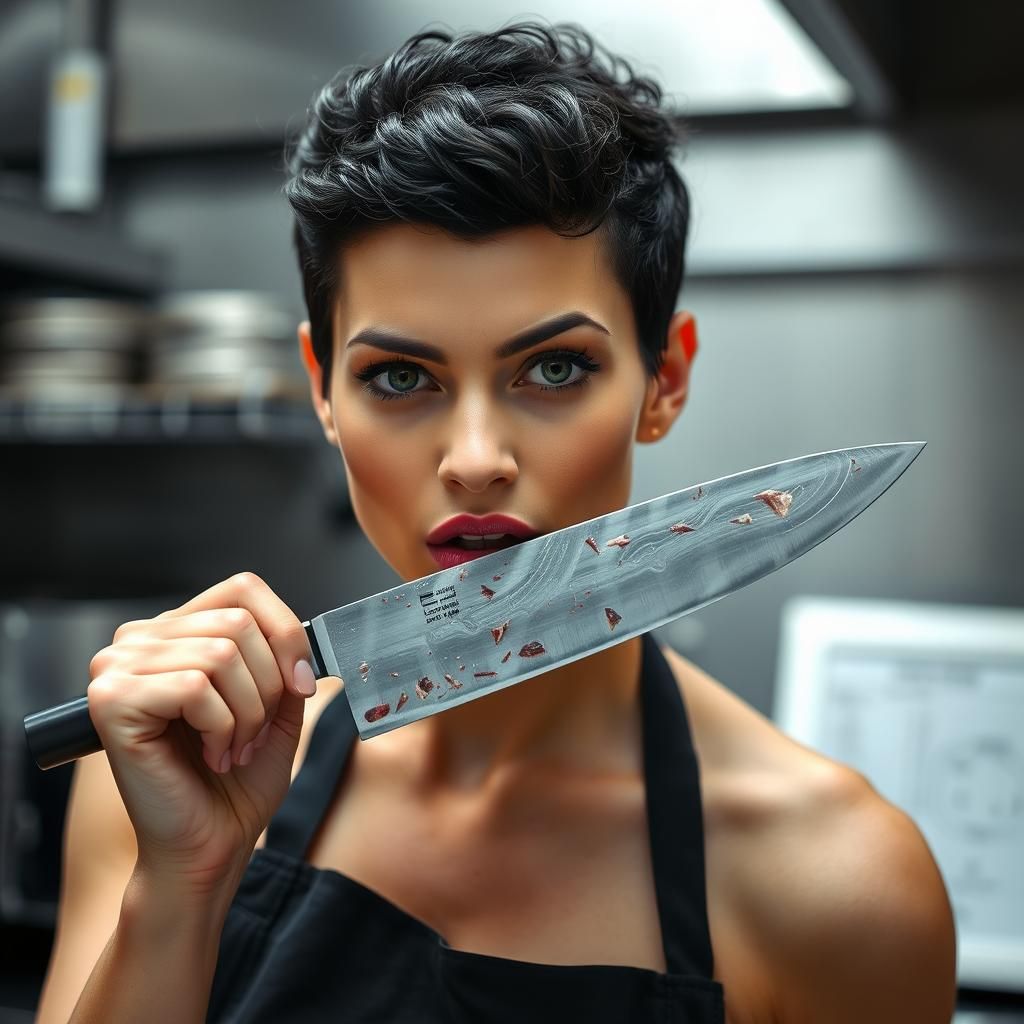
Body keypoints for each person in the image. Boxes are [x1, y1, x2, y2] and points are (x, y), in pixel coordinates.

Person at [35, 21, 957, 1024]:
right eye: (399, 377)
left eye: (554, 368)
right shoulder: (172, 778)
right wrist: (182, 889)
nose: (475, 456)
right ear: (323, 393)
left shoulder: (842, 885)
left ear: (665, 379)